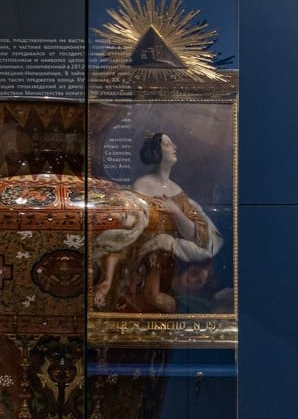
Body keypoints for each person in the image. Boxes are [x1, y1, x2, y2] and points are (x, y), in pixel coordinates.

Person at [93, 133, 225, 313]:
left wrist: (176, 212)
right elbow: (129, 230)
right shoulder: (142, 186)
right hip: (140, 262)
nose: (174, 147)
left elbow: (196, 235)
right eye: (168, 144)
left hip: (170, 267)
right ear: (156, 152)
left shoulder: (177, 192)